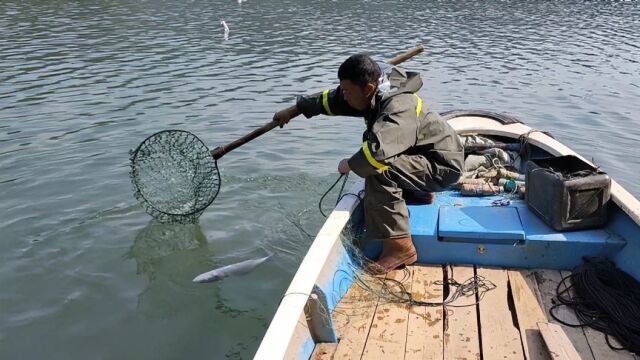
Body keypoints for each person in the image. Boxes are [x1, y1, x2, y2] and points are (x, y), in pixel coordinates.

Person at [273, 54, 464, 275]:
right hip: (423, 159)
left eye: (348, 92)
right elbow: (332, 99)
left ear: (369, 88)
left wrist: (350, 164)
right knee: (380, 161)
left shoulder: (398, 106)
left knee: (379, 168)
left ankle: (400, 248)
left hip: (442, 167)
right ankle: (419, 192)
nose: (344, 96)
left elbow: (377, 155)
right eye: (344, 90)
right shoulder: (373, 90)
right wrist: (294, 110)